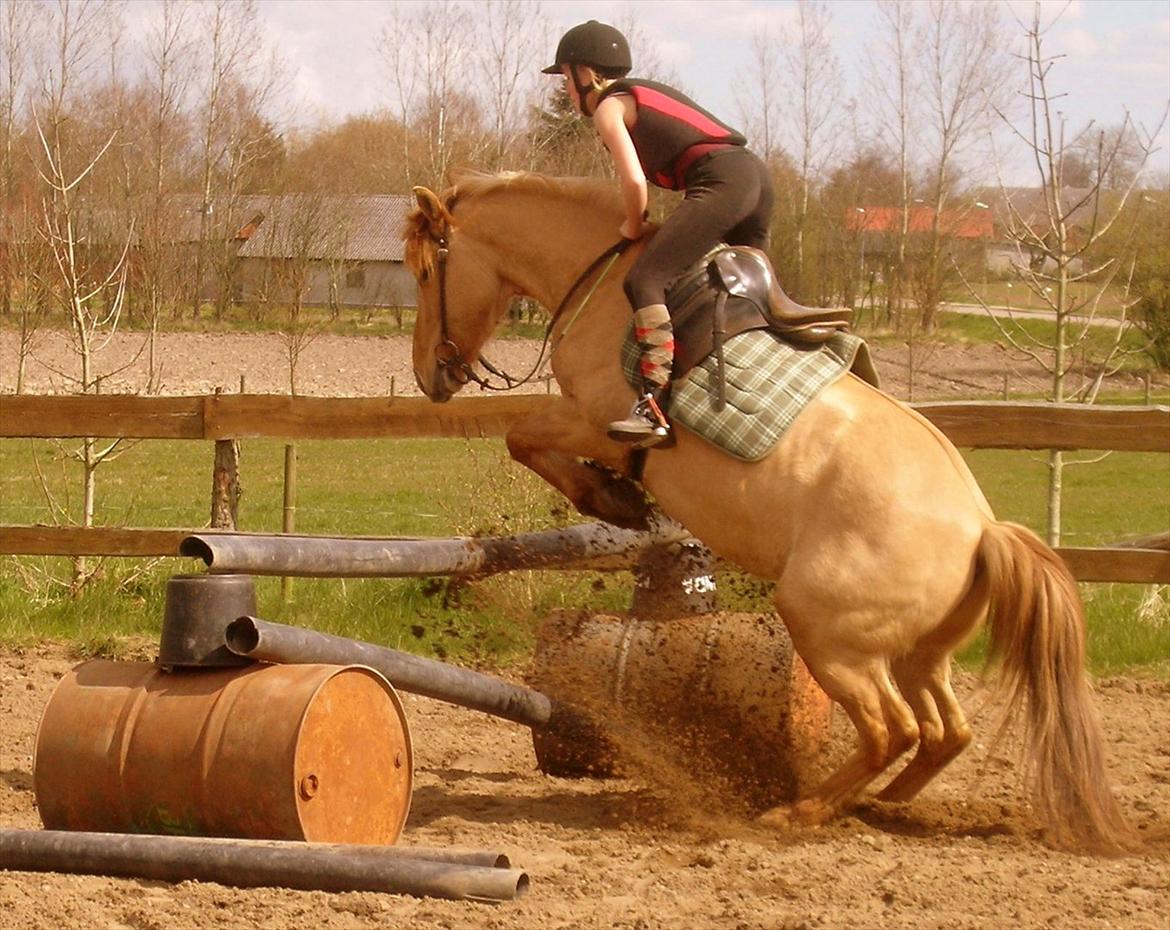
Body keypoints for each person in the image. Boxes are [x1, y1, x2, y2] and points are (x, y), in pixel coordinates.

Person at [543, 20, 774, 446]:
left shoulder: (609, 106)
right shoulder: (642, 93)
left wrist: (633, 224)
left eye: (566, 79)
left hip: (723, 180)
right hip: (754, 177)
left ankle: (651, 406)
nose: (567, 92)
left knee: (645, 279)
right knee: (743, 293)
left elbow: (633, 183)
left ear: (586, 74)